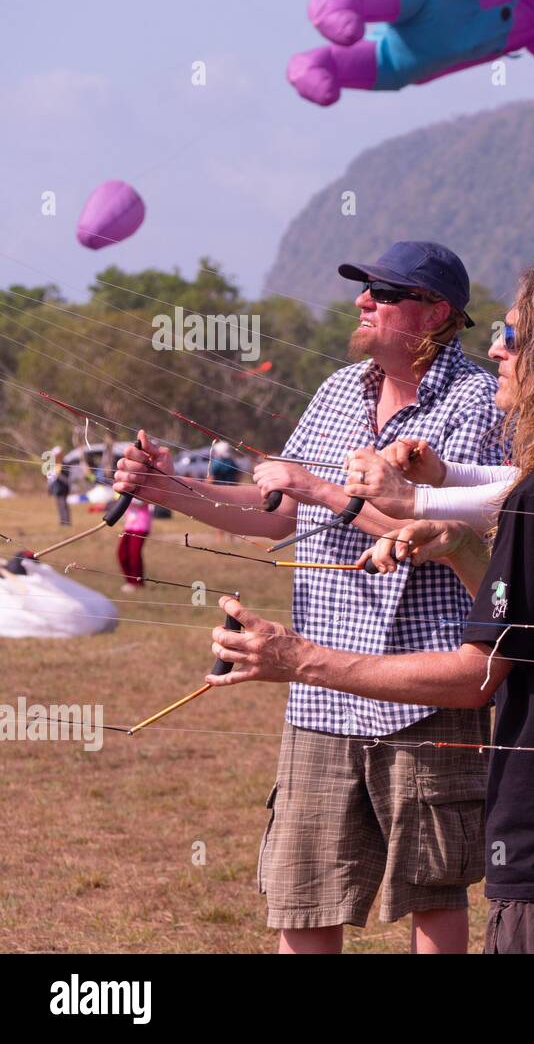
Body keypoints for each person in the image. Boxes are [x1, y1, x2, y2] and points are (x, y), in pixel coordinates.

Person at [206, 265, 534, 955]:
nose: (495, 350)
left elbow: (473, 676)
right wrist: (448, 521)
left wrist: (296, 658)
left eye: (512, 335)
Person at [115, 241, 503, 955]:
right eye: (365, 290)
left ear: (436, 313)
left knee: (432, 893)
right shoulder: (336, 390)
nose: (364, 301)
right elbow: (278, 506)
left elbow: (444, 531)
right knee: (303, 891)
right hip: (317, 692)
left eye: (384, 292)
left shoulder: (475, 400)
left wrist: (326, 490)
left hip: (423, 689)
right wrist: (170, 488)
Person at [117, 499, 152, 591]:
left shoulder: (141, 489)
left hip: (141, 526)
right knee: (122, 554)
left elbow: (142, 502)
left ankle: (137, 583)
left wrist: (127, 498)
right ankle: (130, 581)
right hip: (129, 525)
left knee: (134, 555)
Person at [46, 446, 71, 527]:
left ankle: (67, 522)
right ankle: (62, 521)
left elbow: (67, 478)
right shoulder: (55, 464)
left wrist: (59, 475)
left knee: (63, 504)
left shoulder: (65, 463)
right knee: (59, 505)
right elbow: (51, 478)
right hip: (57, 488)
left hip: (63, 488)